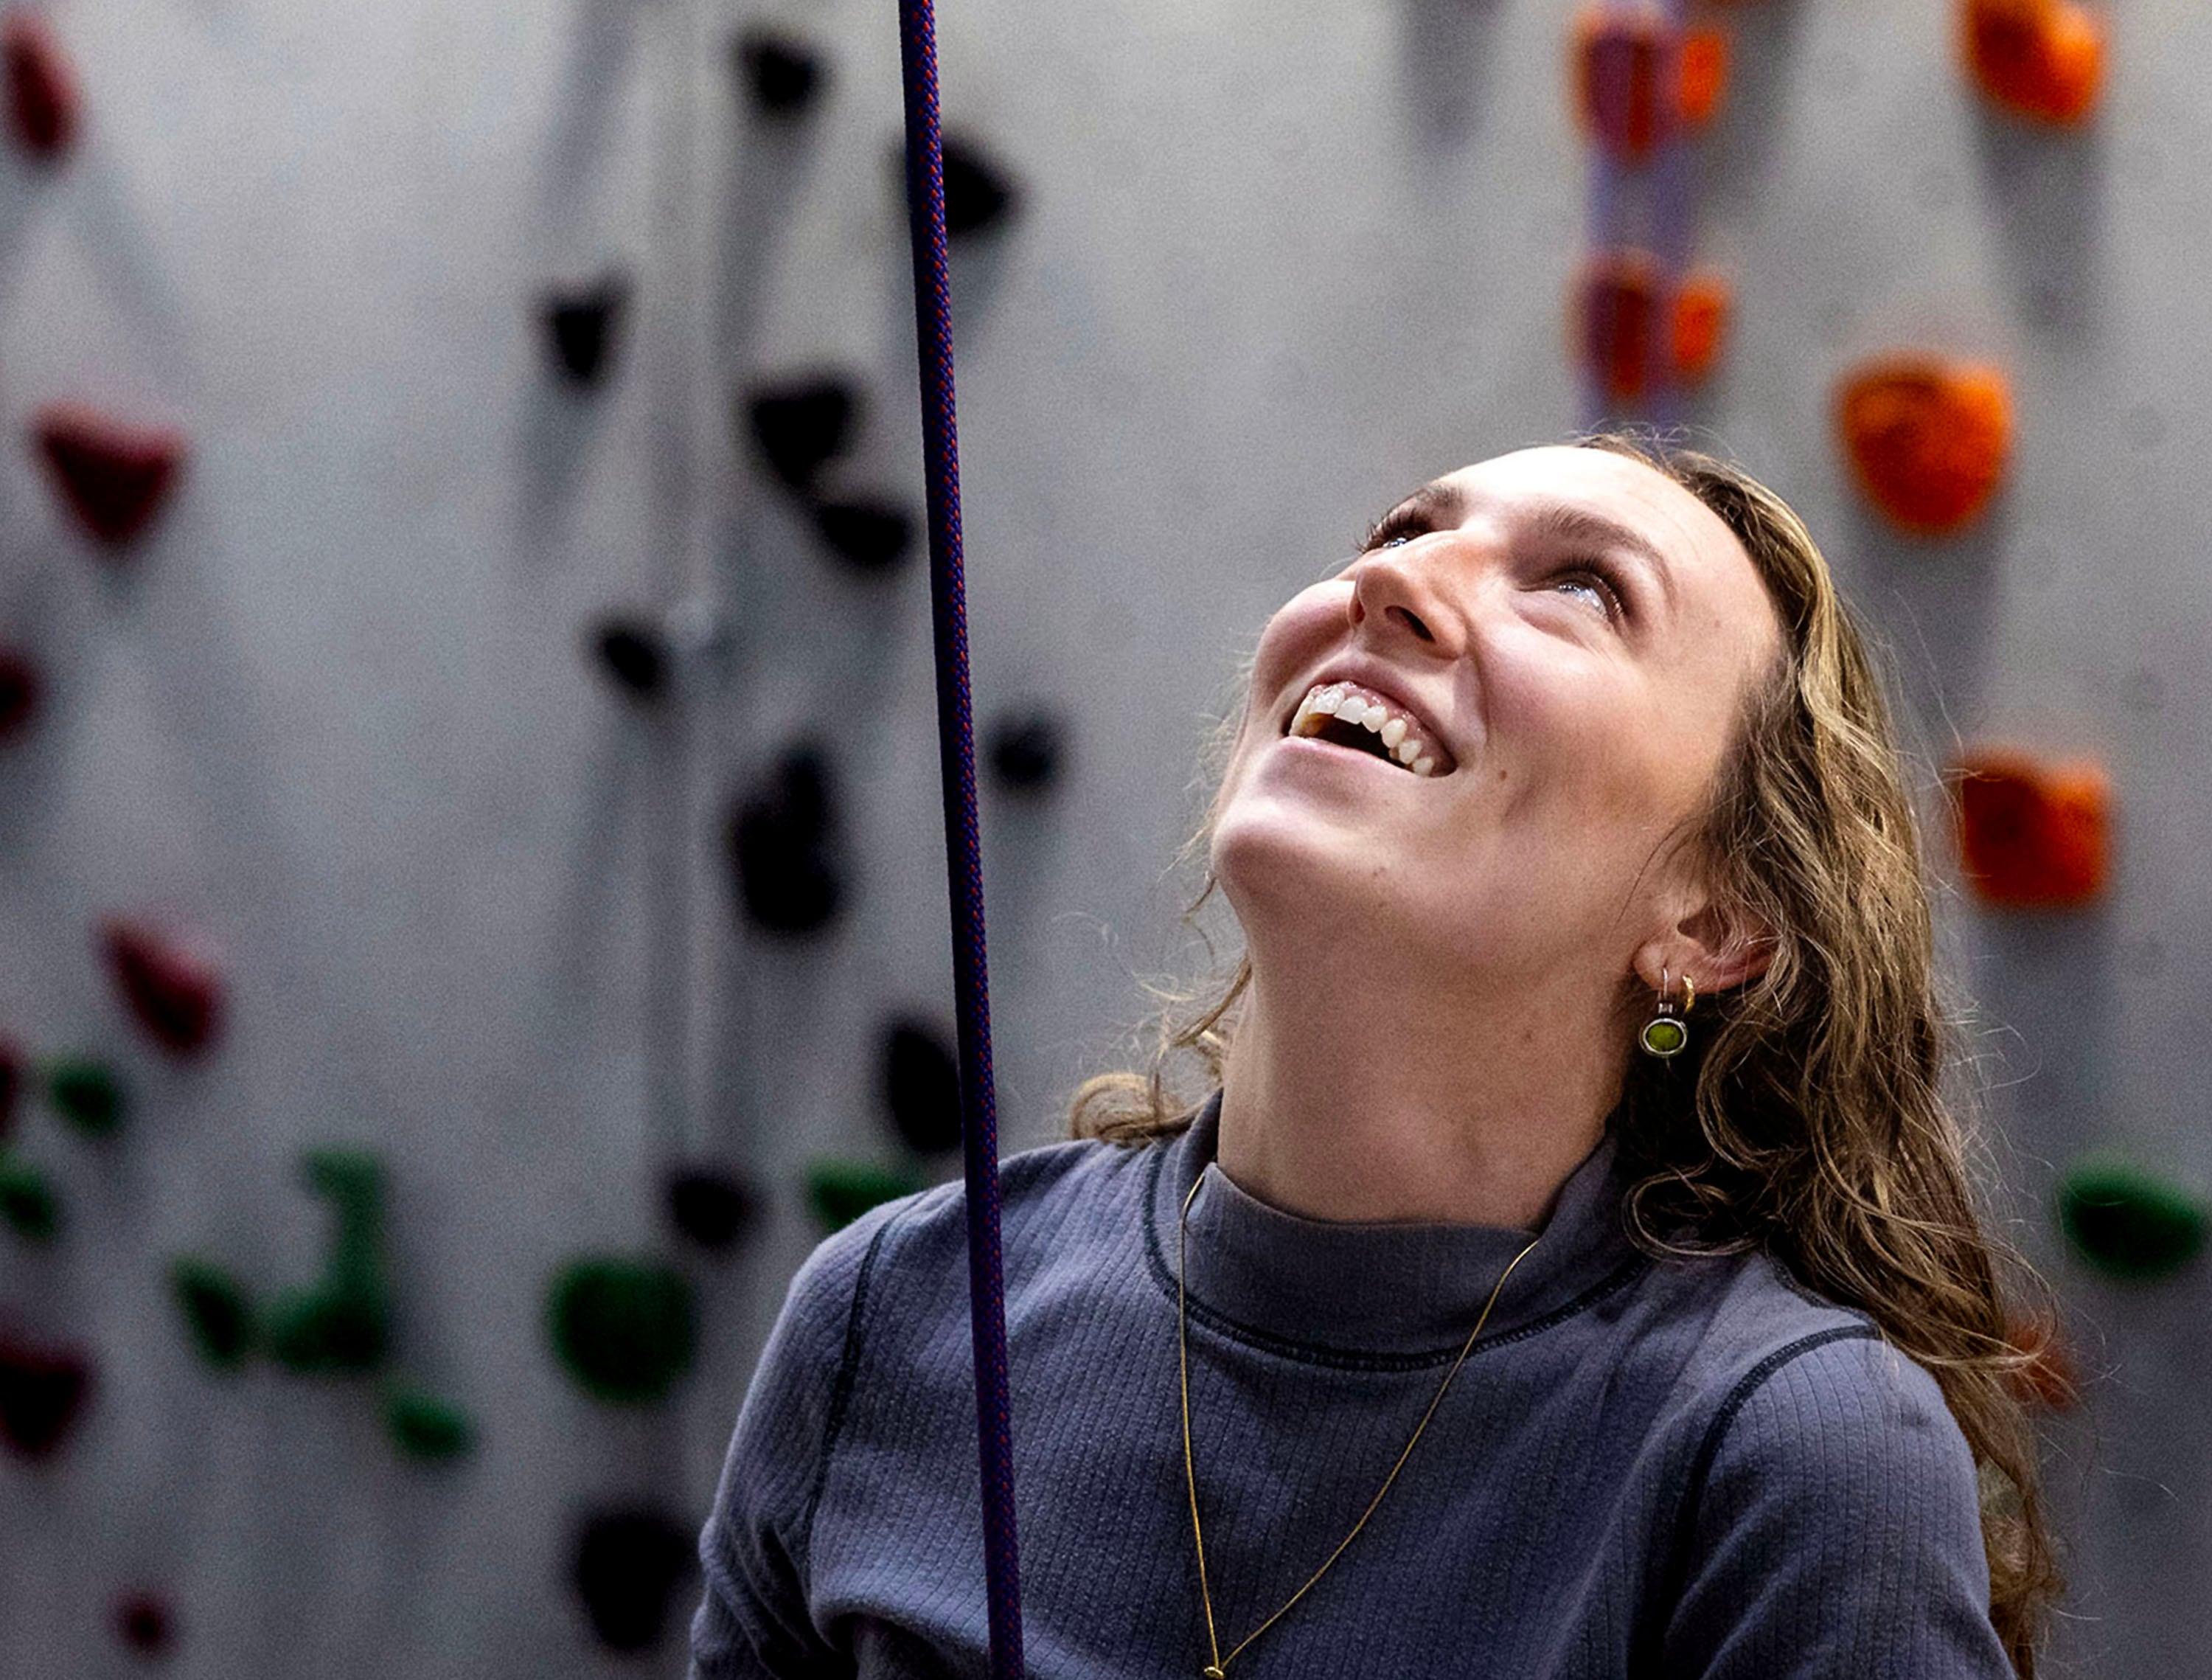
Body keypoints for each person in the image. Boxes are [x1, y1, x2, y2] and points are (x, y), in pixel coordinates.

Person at [689, 434, 2061, 1679]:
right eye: (1401, 530)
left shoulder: (1794, 1453)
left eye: (1584, 589)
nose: (1388, 585)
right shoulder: (896, 1307)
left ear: (1714, 920)